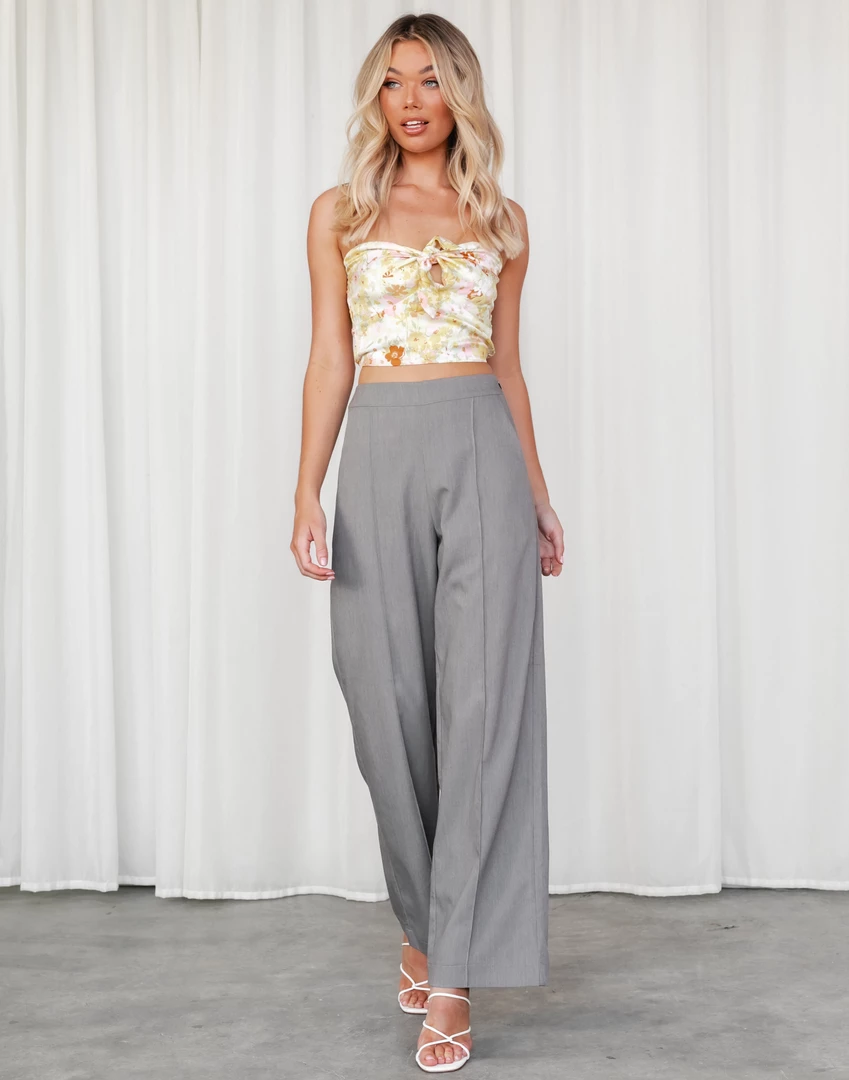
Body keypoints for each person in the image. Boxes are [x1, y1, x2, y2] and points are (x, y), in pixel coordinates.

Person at [291, 12, 564, 1073]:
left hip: (482, 452)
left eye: (432, 81)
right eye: (394, 82)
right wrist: (306, 489)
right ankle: (422, 917)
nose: (411, 100)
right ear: (377, 97)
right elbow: (330, 358)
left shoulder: (504, 219)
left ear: (461, 95)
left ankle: (451, 974)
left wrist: (538, 495)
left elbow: (508, 367)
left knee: (483, 712)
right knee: (386, 706)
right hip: (378, 451)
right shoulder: (339, 213)